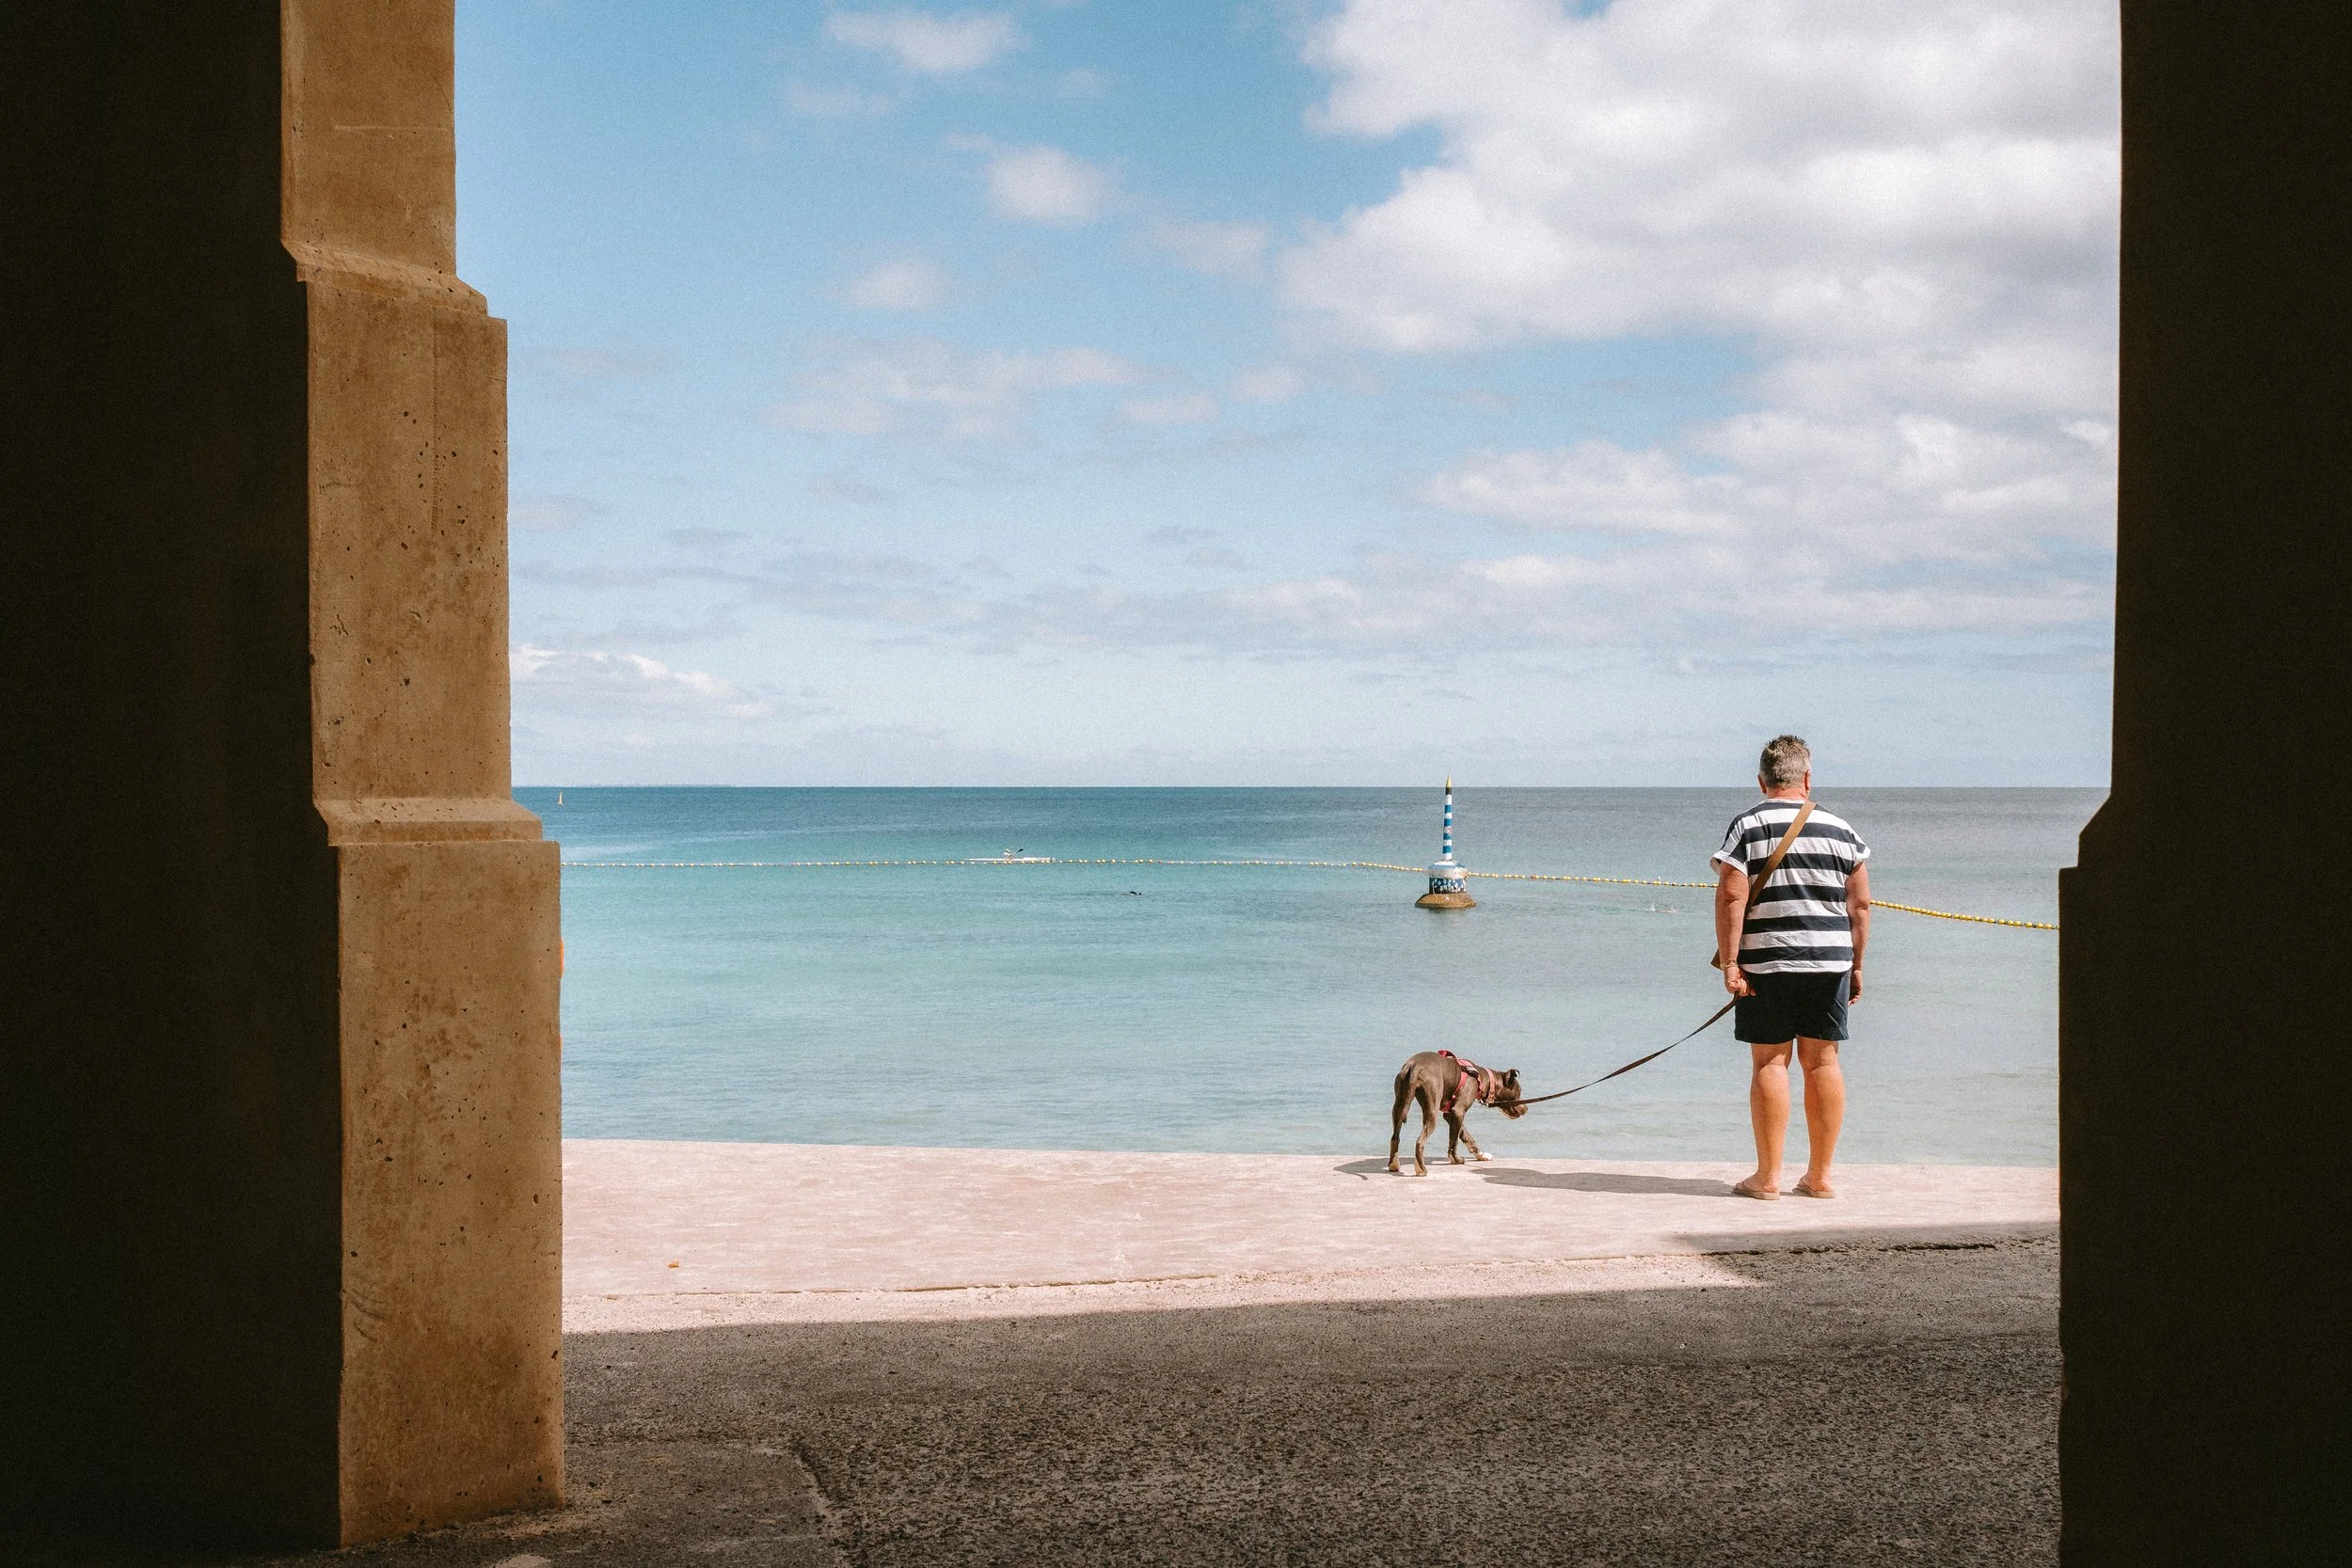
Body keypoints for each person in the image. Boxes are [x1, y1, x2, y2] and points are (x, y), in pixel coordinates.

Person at [1711, 735, 1870, 1200]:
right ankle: (1819, 1177)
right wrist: (1856, 965)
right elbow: (1859, 905)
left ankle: (1768, 1178)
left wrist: (1732, 962)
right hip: (1830, 961)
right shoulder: (1843, 831)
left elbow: (1731, 894)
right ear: (1806, 778)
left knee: (1770, 1061)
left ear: (1761, 780)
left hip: (1767, 962)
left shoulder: (1748, 826)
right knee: (1823, 1062)